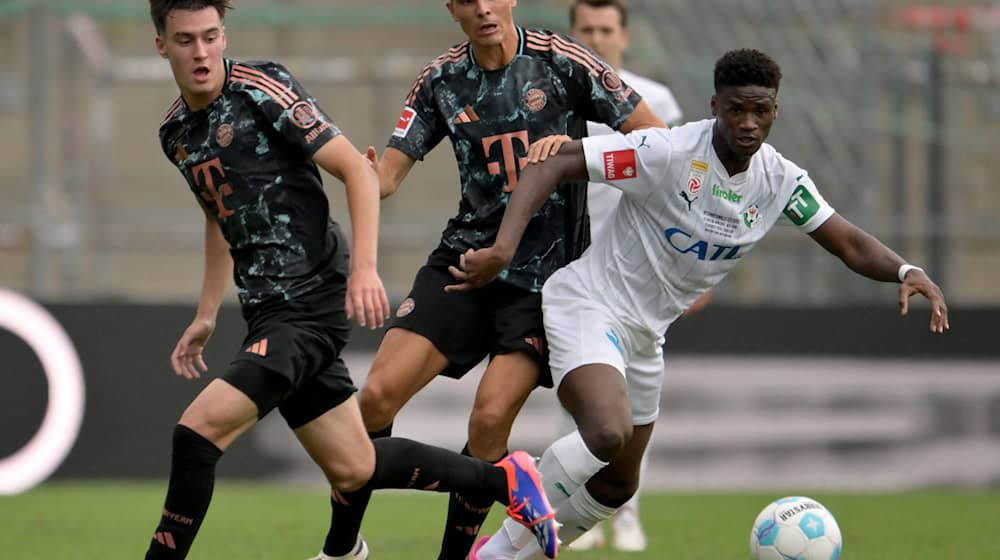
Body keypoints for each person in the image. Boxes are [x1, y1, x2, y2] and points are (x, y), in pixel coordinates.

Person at [451, 48, 950, 559]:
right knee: (605, 432)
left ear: (776, 110)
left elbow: (848, 242)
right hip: (590, 304)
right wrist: (504, 248)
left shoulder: (780, 182)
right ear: (715, 105)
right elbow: (555, 162)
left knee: (619, 485)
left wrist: (906, 270)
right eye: (737, 109)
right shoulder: (667, 152)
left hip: (647, 335)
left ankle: (506, 551)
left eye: (761, 110)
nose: (749, 123)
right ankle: (498, 545)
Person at [143, 2, 559, 559]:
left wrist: (364, 269)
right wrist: (206, 312)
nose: (201, 52)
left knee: (196, 434)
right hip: (267, 310)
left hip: (309, 303)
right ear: (161, 46)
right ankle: (508, 483)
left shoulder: (263, 89)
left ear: (224, 35)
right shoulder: (176, 131)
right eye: (186, 40)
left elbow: (358, 171)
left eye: (210, 37)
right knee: (355, 464)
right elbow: (219, 213)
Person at [325, 1, 663, 559]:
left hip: (546, 282)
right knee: (375, 401)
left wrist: (578, 151)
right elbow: (385, 176)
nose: (483, 8)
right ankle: (342, 549)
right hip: (466, 263)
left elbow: (655, 139)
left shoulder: (564, 62)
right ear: (452, 8)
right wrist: (355, 168)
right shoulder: (440, 79)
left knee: (486, 424)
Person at [566, 1, 684, 550]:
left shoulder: (653, 102)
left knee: (635, 400)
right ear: (572, 33)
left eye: (605, 29)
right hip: (569, 266)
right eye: (586, 29)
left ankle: (627, 509)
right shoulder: (557, 92)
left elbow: (683, 186)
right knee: (583, 394)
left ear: (625, 36)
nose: (596, 37)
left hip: (637, 275)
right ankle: (586, 505)